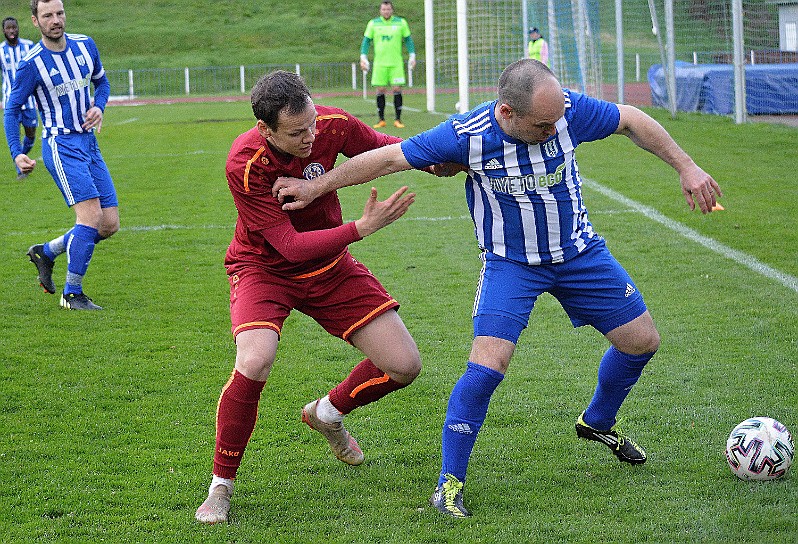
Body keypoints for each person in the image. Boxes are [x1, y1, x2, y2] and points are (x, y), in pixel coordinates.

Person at [272, 59, 723, 518]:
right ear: (506, 112)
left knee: (642, 342)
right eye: (541, 125)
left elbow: (632, 119)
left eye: (556, 121)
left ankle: (598, 421)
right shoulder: (467, 135)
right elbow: (389, 157)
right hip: (511, 266)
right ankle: (450, 482)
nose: (553, 130)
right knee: (489, 364)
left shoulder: (567, 111)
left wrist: (687, 167)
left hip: (580, 255)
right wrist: (318, 187)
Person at [194, 70, 421, 524]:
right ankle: (221, 485)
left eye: (312, 124)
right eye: (297, 132)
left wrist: (451, 155)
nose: (311, 136)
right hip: (264, 269)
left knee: (404, 365)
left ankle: (327, 412)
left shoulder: (331, 124)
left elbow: (389, 149)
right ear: (266, 129)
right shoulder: (246, 161)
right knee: (255, 359)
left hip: (331, 266)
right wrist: (362, 227)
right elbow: (291, 247)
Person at [4, 0, 118, 310]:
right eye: (48, 16)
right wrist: (17, 153)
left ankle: (48, 251)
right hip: (61, 145)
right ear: (35, 21)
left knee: (108, 224)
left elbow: (102, 82)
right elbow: (12, 109)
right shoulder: (32, 63)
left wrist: (99, 106)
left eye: (59, 13)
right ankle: (72, 294)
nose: (56, 20)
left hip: (89, 143)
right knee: (91, 216)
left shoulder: (85, 45)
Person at [360, 1, 416, 129]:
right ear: (380, 11)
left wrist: (412, 55)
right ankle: (381, 120)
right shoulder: (373, 24)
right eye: (384, 9)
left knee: (397, 89)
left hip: (396, 63)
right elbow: (366, 41)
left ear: (392, 10)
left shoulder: (401, 22)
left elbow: (408, 40)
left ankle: (398, 119)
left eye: (388, 9)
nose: (386, 11)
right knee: (380, 90)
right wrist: (363, 57)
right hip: (380, 64)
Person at [1, 16, 38, 180]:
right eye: (8, 28)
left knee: (31, 136)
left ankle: (21, 157)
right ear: (3, 30)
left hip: (29, 101)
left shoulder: (29, 46)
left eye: (13, 27)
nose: (11, 31)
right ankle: (20, 168)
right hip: (11, 102)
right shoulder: (1, 51)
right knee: (14, 137)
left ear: (18, 28)